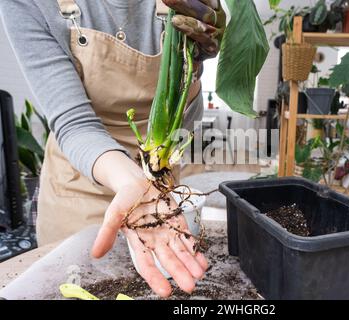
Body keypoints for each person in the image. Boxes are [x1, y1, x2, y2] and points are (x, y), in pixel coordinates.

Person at [0, 0, 226, 297]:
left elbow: (185, 120)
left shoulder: (183, 3)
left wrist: (192, 66)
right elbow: (74, 122)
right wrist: (133, 183)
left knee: (166, 283)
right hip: (80, 184)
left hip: (158, 191)